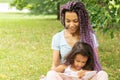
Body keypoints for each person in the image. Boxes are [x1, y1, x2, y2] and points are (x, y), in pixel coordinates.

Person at [51, 1, 101, 71]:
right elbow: (55, 65)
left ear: (82, 20)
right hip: (65, 75)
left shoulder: (90, 37)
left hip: (84, 75)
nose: (71, 25)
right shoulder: (58, 37)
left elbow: (94, 64)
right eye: (68, 21)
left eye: (75, 21)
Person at [42, 41, 108, 80]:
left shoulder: (87, 69)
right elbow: (52, 73)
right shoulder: (65, 66)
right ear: (73, 57)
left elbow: (93, 75)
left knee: (103, 73)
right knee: (51, 73)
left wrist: (85, 73)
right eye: (78, 61)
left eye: (83, 62)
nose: (80, 64)